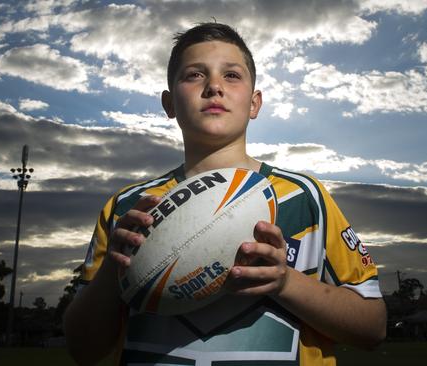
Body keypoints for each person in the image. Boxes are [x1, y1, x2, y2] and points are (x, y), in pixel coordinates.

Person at [64, 22, 386, 366]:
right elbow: (83, 351)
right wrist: (115, 278)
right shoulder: (128, 208)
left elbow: (373, 327)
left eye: (232, 76)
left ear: (254, 102)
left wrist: (285, 283)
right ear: (170, 103)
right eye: (194, 75)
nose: (214, 86)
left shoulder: (303, 197)